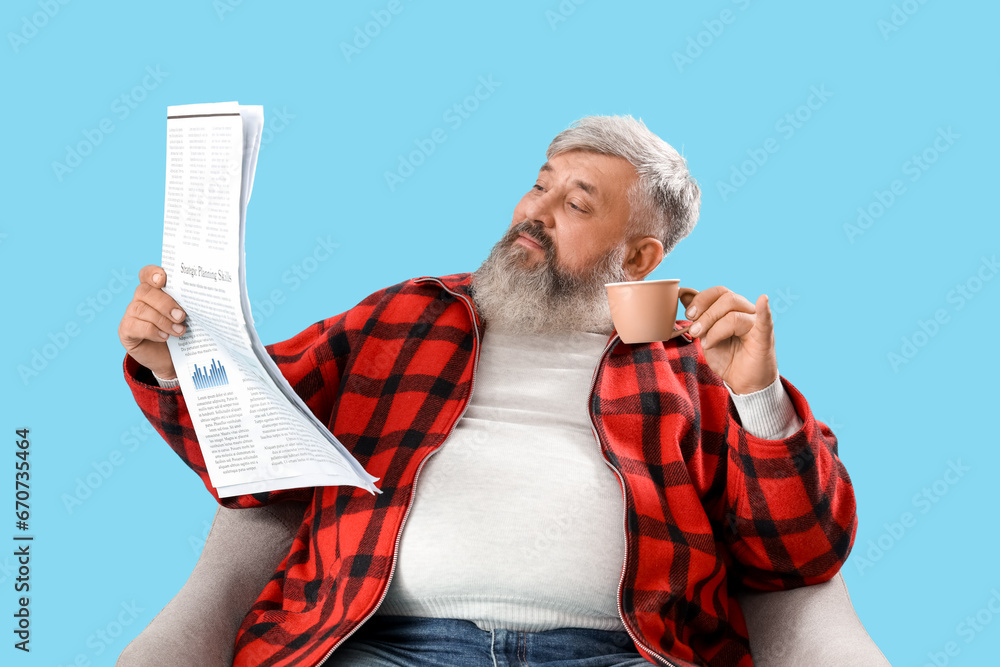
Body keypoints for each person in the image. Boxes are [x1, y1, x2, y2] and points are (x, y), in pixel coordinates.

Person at [118, 115, 857, 667]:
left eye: (577, 201)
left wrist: (759, 396)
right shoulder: (403, 315)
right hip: (383, 646)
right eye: (540, 183)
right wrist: (171, 364)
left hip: (619, 654)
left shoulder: (696, 366)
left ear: (638, 255)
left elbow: (799, 558)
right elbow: (249, 451)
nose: (536, 209)